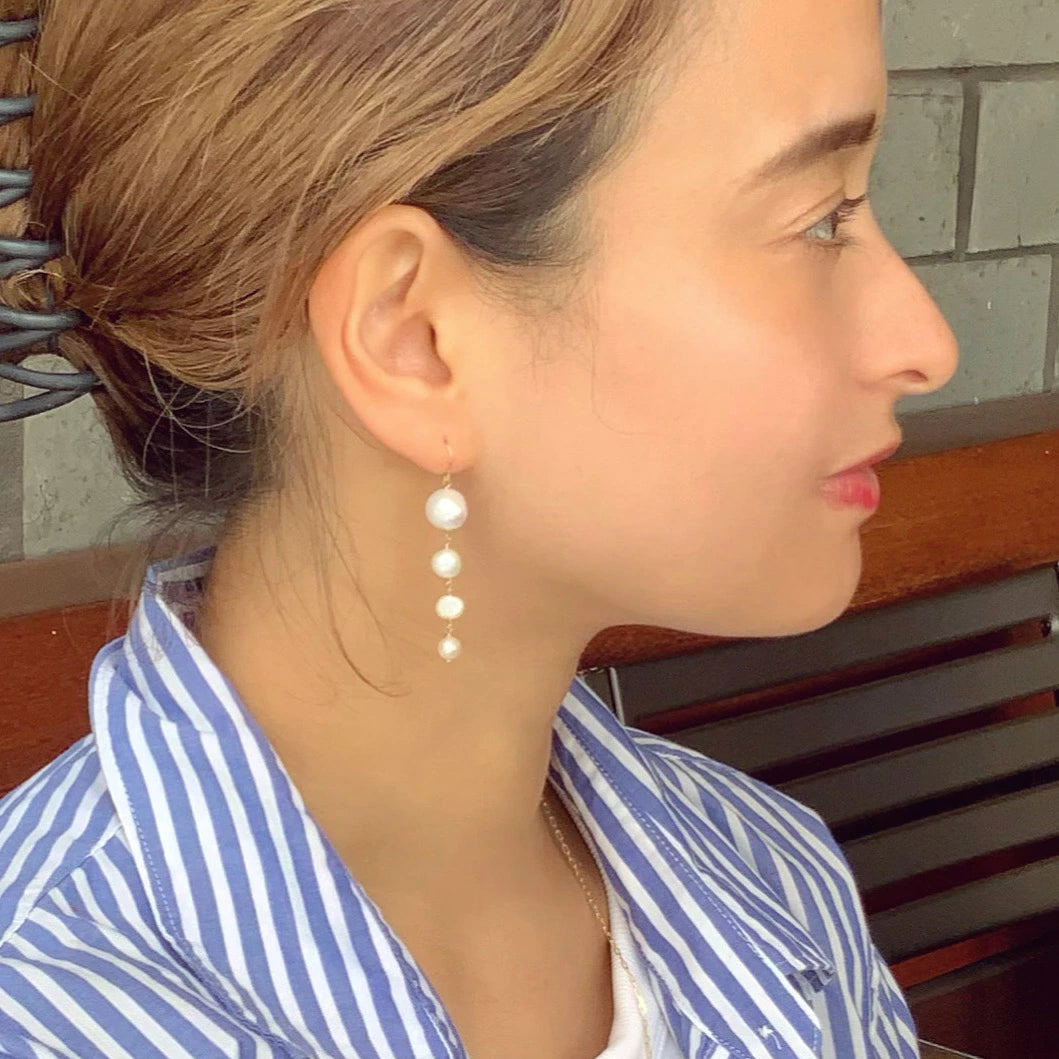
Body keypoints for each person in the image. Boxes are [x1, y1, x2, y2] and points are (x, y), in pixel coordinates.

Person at [0, 0, 958, 1053]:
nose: (925, 344)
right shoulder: (46, 1011)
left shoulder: (774, 878)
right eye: (819, 219)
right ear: (413, 338)